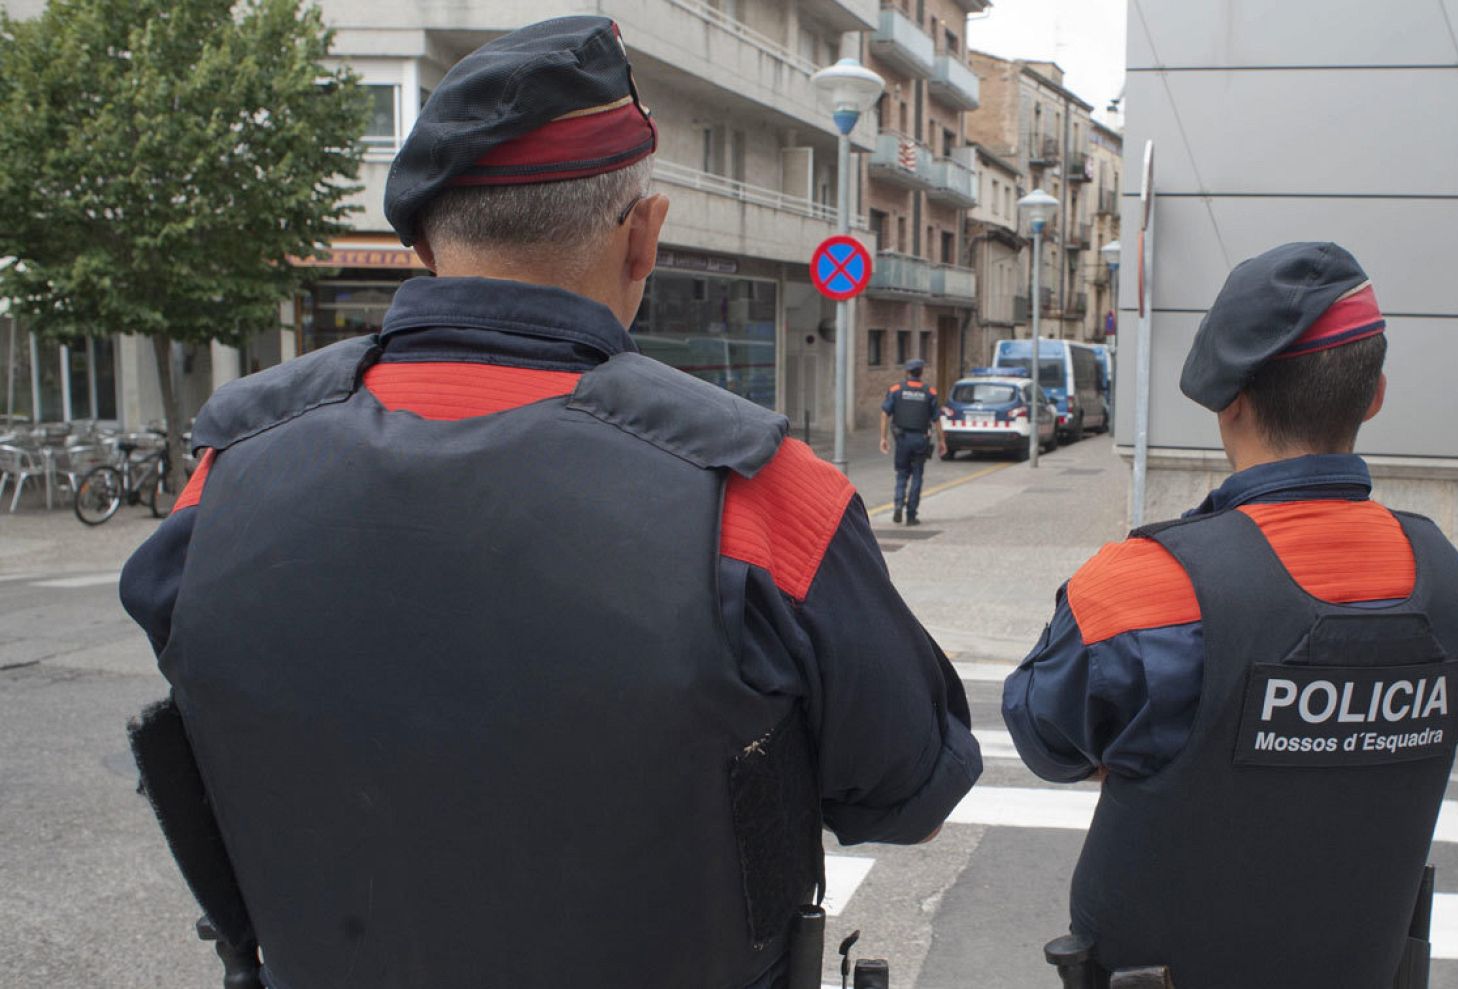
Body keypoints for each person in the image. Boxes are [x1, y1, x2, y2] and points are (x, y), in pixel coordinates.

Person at [119, 17, 981, 989]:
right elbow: (911, 791)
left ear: (423, 243)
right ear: (643, 236)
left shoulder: (227, 471)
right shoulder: (761, 493)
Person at [1003, 242, 1458, 988]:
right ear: (1374, 395)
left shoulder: (1142, 589)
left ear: (1229, 398)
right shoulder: (1443, 586)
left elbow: (1044, 736)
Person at [879, 357, 946, 525]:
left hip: (902, 439)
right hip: (920, 440)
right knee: (917, 476)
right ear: (921, 372)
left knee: (901, 474)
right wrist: (942, 441)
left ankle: (898, 505)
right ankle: (911, 515)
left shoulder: (896, 390)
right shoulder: (929, 392)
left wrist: (883, 438)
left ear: (907, 372)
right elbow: (937, 419)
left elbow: (885, 413)